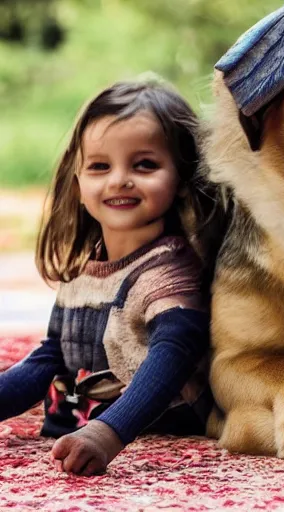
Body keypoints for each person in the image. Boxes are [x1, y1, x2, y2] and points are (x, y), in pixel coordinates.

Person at [0, 77, 217, 476]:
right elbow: (52, 355)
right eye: (100, 166)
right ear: (78, 181)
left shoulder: (169, 272)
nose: (119, 179)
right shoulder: (88, 270)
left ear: (182, 178)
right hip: (75, 432)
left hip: (149, 434)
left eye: (145, 165)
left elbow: (172, 359)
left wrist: (106, 434)